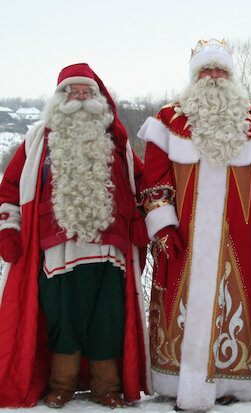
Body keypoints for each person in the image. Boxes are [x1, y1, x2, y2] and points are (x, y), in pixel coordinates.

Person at [138, 38, 251, 411]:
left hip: (236, 241)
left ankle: (229, 383)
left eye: (220, 70)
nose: (213, 77)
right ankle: (174, 383)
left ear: (232, 75)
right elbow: (155, 182)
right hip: (183, 238)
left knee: (233, 305)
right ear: (194, 76)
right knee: (181, 302)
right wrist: (162, 227)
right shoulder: (167, 122)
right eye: (206, 70)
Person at [0, 63, 151, 408]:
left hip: (109, 251)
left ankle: (106, 386)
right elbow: (9, 190)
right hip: (57, 249)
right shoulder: (38, 142)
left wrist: (145, 221)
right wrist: (9, 230)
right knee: (61, 318)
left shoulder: (118, 145)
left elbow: (144, 187)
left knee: (108, 318)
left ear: (98, 99)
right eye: (73, 91)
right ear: (59, 98)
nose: (80, 98)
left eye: (87, 92)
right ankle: (61, 384)